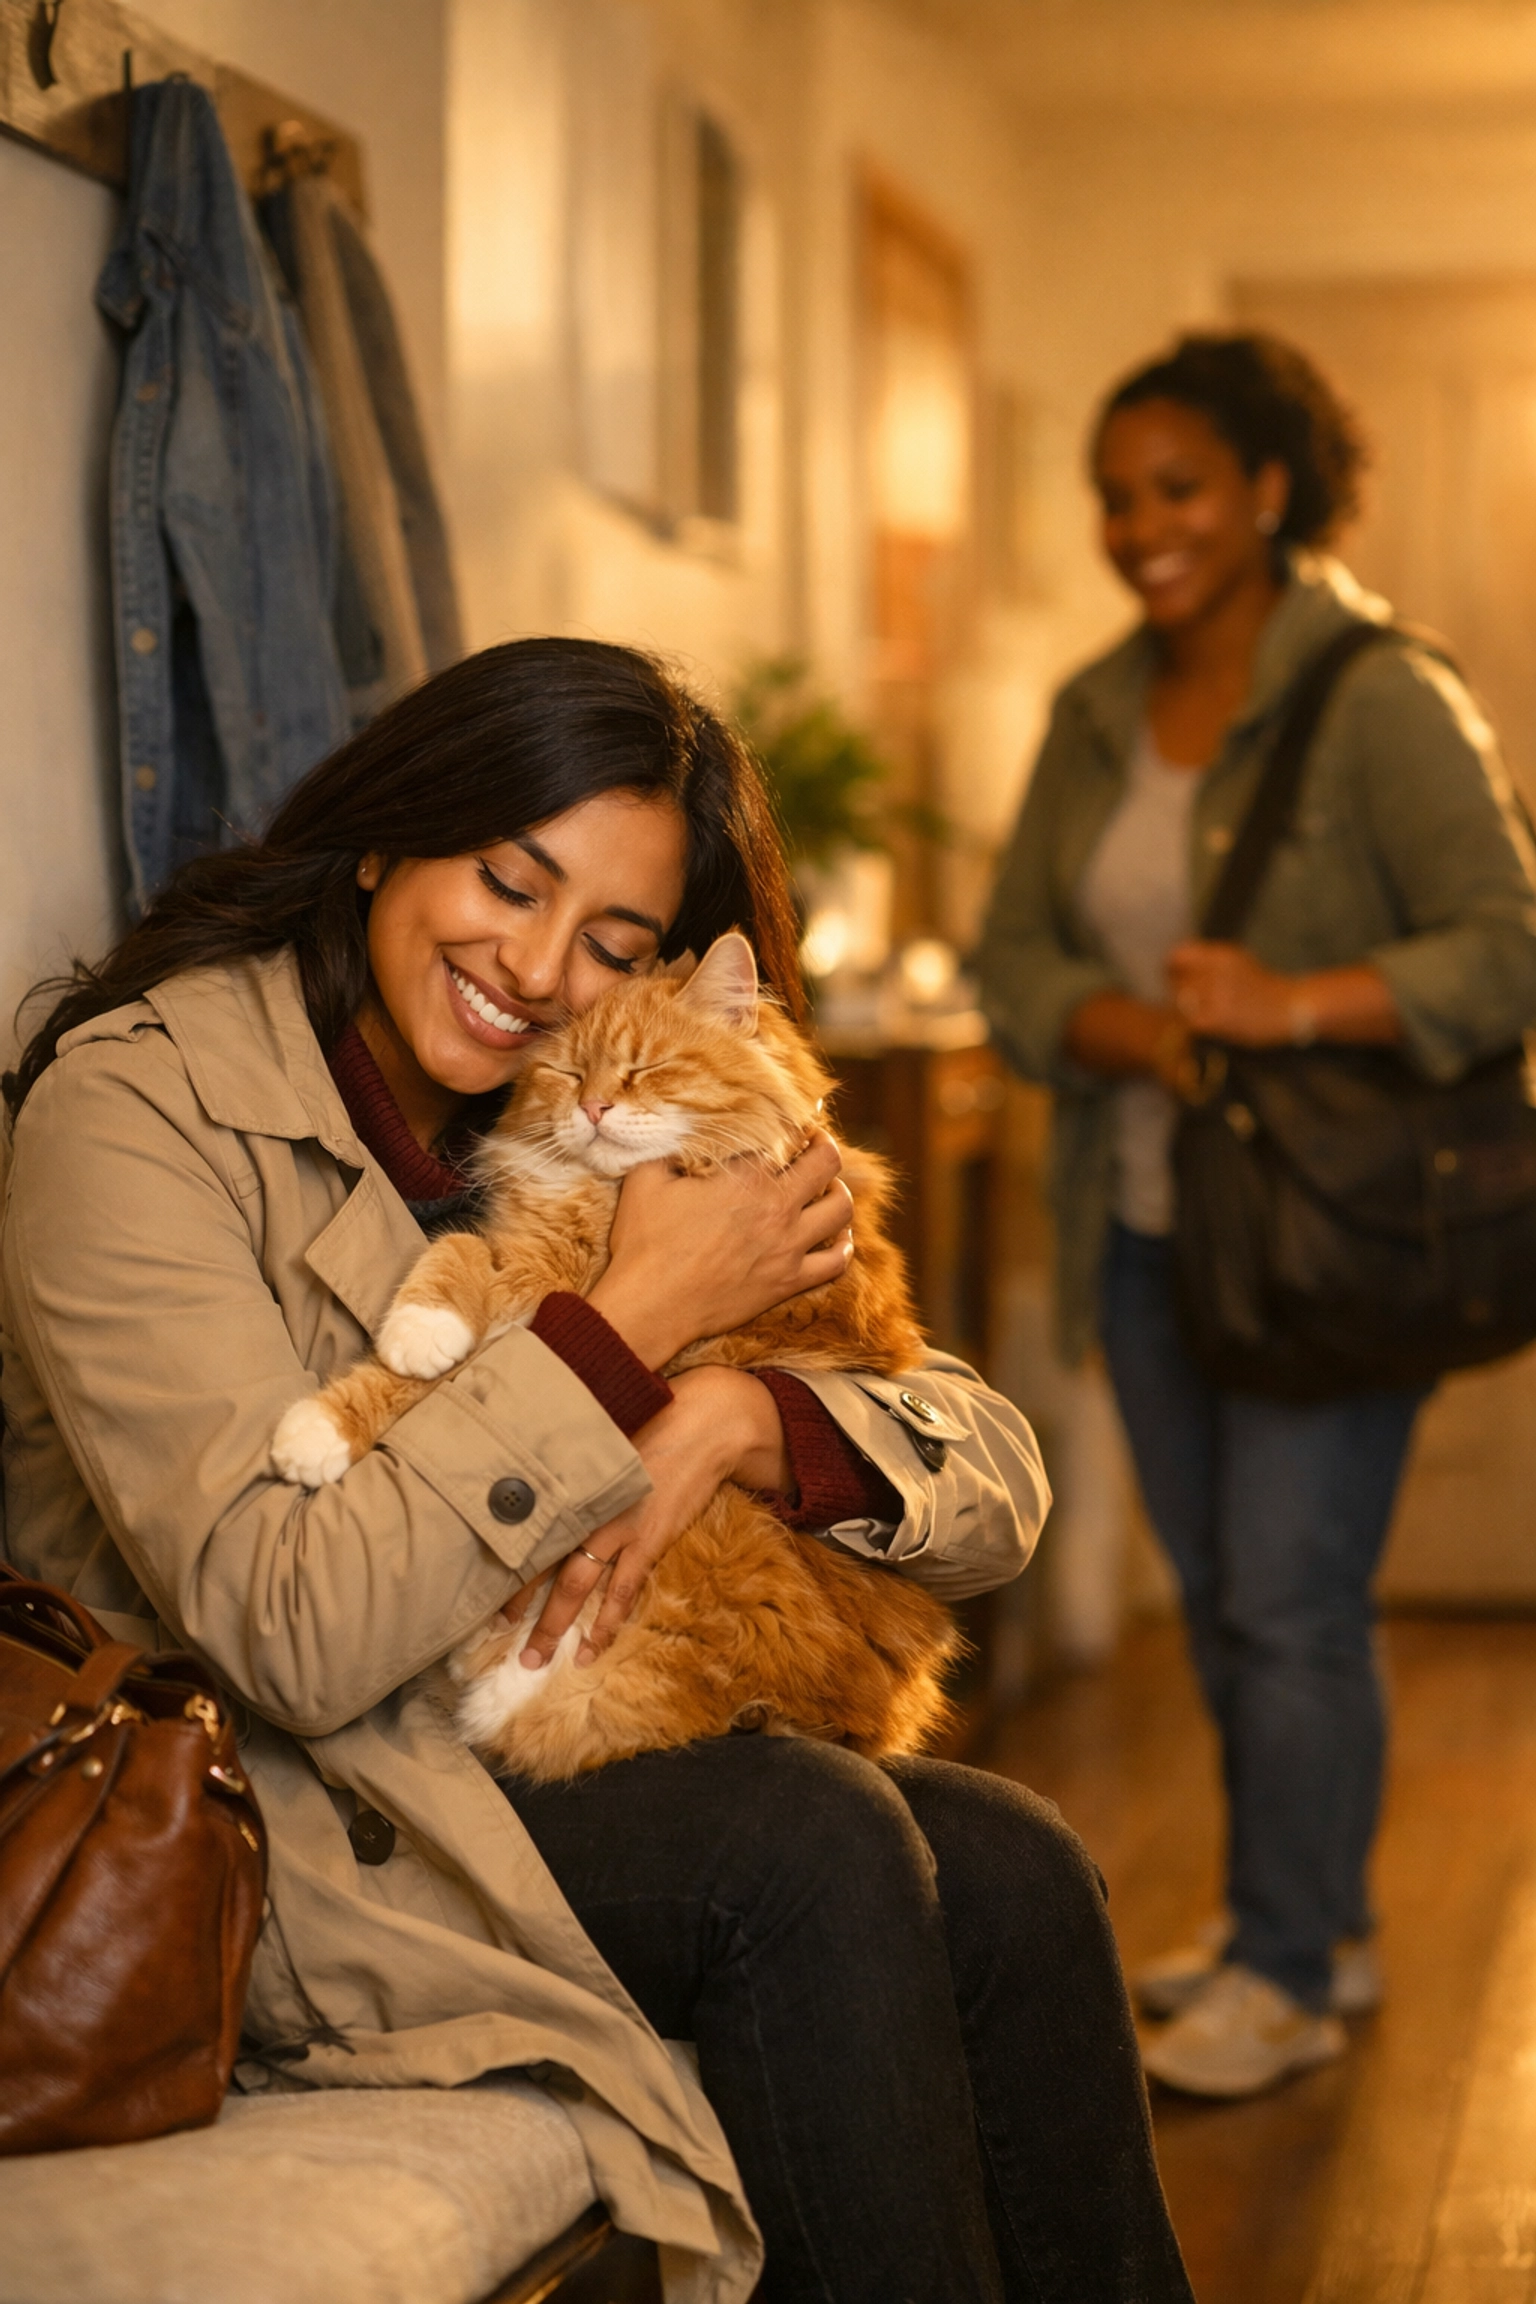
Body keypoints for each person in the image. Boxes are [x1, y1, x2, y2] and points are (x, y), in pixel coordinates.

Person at [0, 638, 1192, 2303]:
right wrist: (634, 1321)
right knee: (808, 1847)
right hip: (301, 1822)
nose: (542, 969)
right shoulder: (136, 1114)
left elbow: (987, 1477)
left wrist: (744, 1419)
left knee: (1020, 1865)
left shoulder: (590, 1103)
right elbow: (289, 1632)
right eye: (508, 882)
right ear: (387, 836)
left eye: (615, 944)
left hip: (511, 1742)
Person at [979, 333, 1536, 2099]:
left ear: (1270, 489)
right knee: (1226, 1602)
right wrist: (1133, 1029)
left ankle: (1288, 1968)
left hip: (1328, 1235)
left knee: (1293, 1603)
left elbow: (1507, 947)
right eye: (1115, 497)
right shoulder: (1094, 710)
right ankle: (1310, 1922)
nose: (1139, 527)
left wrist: (1288, 1005)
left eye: (1179, 488)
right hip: (1144, 1228)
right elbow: (1013, 958)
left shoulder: (1379, 696)